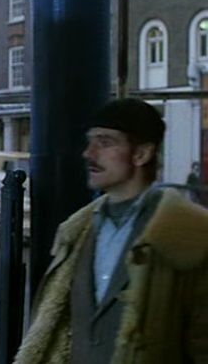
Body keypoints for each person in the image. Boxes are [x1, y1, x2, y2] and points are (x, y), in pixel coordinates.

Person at [14, 98, 208, 364]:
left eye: (105, 142)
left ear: (141, 154)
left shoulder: (190, 237)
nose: (89, 153)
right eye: (90, 141)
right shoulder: (75, 234)